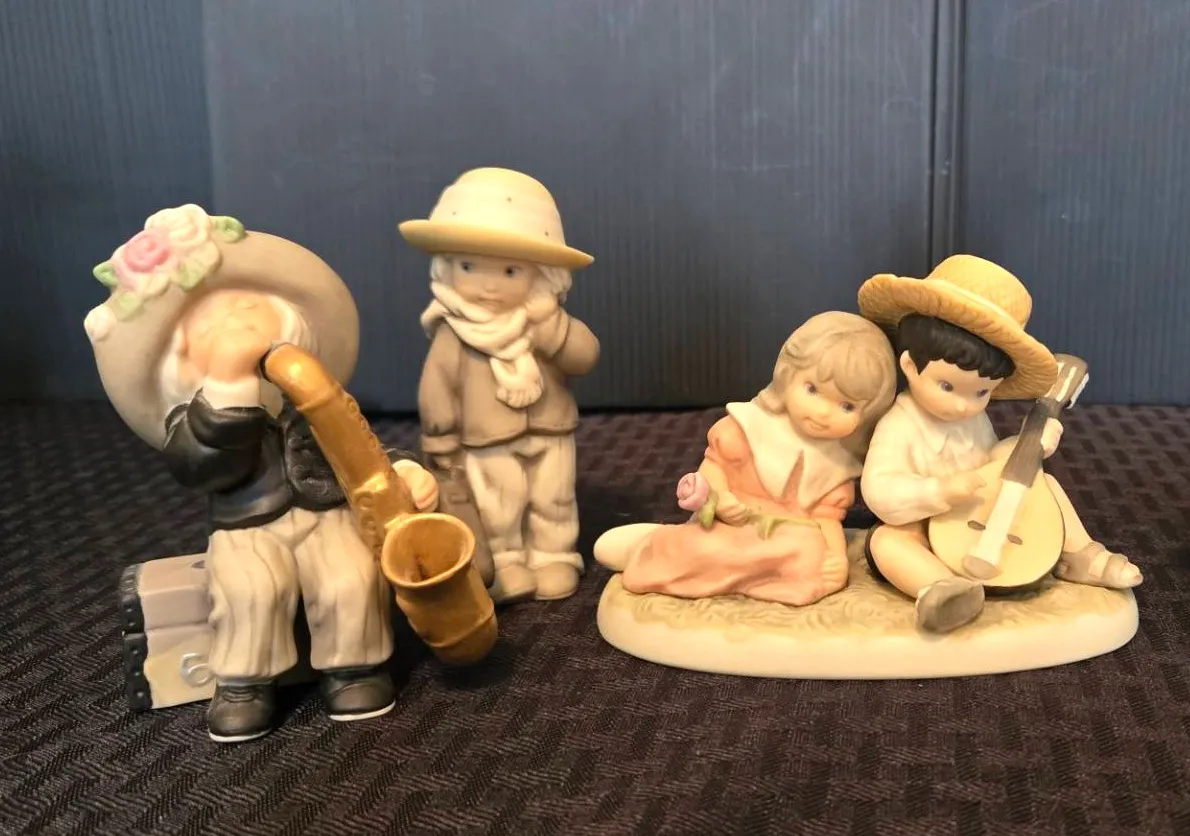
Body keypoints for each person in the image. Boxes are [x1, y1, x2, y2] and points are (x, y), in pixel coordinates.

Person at [84, 205, 438, 742]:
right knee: (250, 588)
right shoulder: (196, 418)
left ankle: (355, 668)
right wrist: (229, 390)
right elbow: (201, 467)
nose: (237, 326)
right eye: (211, 324)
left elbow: (356, 442)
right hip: (247, 523)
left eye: (248, 308)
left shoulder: (313, 397)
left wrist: (403, 469)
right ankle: (244, 684)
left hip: (328, 511)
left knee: (349, 576)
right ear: (183, 358)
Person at [857, 255, 1142, 634]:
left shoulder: (972, 420)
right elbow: (879, 490)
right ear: (910, 366)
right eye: (947, 386)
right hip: (922, 522)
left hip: (979, 514)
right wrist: (938, 491)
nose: (963, 405)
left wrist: (1026, 446)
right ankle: (943, 588)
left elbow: (991, 464)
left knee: (1046, 484)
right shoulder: (899, 425)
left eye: (980, 393)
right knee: (887, 542)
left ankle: (1079, 554)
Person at [594, 312, 896, 606]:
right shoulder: (748, 428)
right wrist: (720, 498)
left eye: (846, 406)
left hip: (786, 538)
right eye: (812, 389)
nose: (822, 412)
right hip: (730, 525)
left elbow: (826, 520)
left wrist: (836, 557)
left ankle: (751, 579)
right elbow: (713, 470)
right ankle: (656, 546)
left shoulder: (838, 466)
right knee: (708, 544)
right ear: (788, 374)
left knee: (810, 555)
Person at [403, 168, 601, 603]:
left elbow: (584, 356)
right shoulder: (454, 331)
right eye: (469, 267)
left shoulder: (544, 322)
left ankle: (554, 554)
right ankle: (506, 559)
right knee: (497, 504)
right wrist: (440, 435)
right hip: (484, 438)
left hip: (550, 426)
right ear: (447, 267)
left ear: (541, 274)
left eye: (511, 270)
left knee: (553, 496)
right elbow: (437, 386)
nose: (489, 285)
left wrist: (550, 327)